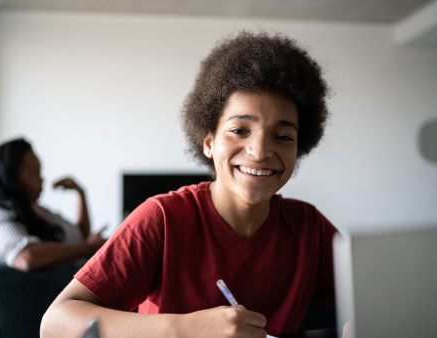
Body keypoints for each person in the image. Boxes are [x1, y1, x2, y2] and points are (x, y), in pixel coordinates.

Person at [41, 31, 337, 337]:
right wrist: (182, 327)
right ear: (208, 142)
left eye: (283, 136)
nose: (260, 151)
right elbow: (54, 324)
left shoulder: (309, 228)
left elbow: (374, 299)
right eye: (239, 130)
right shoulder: (162, 219)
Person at [0, 138, 105, 271]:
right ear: (10, 178)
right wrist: (89, 247)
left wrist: (81, 193)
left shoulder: (38, 211)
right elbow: (27, 257)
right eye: (34, 172)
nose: (42, 179)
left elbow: (80, 236)